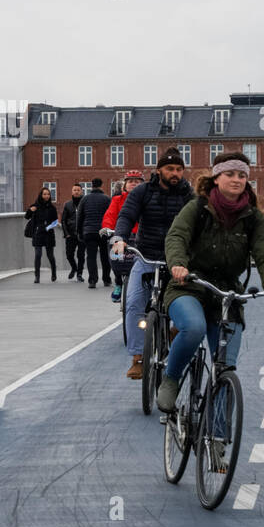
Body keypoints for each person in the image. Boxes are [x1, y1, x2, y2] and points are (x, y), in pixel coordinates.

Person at [156, 153, 264, 471]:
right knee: (194, 328)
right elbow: (177, 236)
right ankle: (171, 380)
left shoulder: (251, 216)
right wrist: (178, 264)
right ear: (217, 179)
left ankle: (215, 442)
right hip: (189, 285)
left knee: (225, 368)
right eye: (230, 175)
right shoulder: (197, 208)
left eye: (242, 175)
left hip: (227, 293)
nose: (237, 180)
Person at [111, 152, 192, 380]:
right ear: (159, 171)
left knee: (189, 301)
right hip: (146, 257)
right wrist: (120, 238)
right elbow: (126, 215)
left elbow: (198, 221)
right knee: (134, 301)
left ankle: (175, 330)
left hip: (178, 260)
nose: (175, 174)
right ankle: (137, 358)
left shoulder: (187, 193)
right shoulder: (142, 191)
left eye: (178, 169)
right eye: (170, 169)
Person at [102, 170, 144, 303]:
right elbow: (110, 215)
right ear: (124, 185)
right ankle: (119, 282)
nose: (133, 184)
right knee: (115, 256)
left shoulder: (146, 200)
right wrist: (107, 228)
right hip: (121, 234)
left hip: (140, 235)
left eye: (137, 182)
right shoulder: (117, 200)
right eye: (130, 181)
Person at [75, 177, 113, 289]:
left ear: (91, 186)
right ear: (101, 185)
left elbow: (79, 216)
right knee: (105, 256)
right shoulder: (107, 199)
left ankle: (92, 280)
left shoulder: (84, 199)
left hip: (89, 231)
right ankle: (106, 279)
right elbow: (111, 215)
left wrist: (79, 231)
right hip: (104, 231)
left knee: (91, 256)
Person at [26, 187, 59, 282]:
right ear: (41, 195)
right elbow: (26, 216)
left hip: (49, 233)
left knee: (50, 255)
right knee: (38, 254)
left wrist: (48, 227)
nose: (46, 196)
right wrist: (30, 210)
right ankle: (37, 276)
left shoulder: (52, 208)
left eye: (48, 194)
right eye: (44, 194)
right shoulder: (35, 206)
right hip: (38, 233)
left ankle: (54, 272)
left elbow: (56, 221)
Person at [61, 183, 85, 280]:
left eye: (78, 190)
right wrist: (66, 233)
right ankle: (74, 268)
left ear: (81, 191)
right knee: (69, 254)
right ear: (72, 191)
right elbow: (63, 220)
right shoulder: (67, 204)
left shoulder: (84, 203)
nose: (76, 192)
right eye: (74, 190)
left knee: (81, 255)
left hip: (82, 234)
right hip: (70, 234)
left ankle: (79, 274)